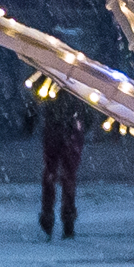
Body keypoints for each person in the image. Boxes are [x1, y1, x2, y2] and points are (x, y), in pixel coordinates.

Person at [35, 93, 83, 239]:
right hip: (68, 127)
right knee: (66, 175)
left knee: (53, 173)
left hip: (59, 126)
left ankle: (51, 217)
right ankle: (64, 218)